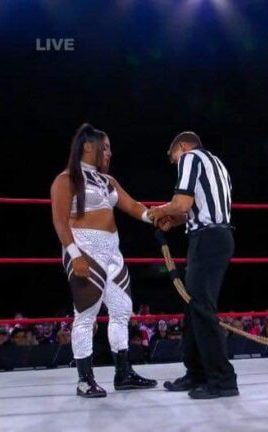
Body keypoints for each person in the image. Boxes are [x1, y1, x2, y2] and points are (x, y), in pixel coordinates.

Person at [50, 123, 157, 398]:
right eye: (105, 147)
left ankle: (123, 373)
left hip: (112, 251)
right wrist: (75, 255)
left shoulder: (108, 181)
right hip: (84, 248)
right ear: (88, 146)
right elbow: (60, 221)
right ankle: (84, 380)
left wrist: (156, 216)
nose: (109, 153)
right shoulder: (66, 179)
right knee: (86, 314)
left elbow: (133, 206)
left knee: (122, 310)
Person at [148, 131, 238, 399]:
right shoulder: (218, 164)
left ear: (183, 146)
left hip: (207, 240)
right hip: (217, 238)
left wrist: (159, 211)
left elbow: (182, 203)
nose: (176, 164)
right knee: (193, 308)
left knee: (201, 308)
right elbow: (196, 209)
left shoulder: (190, 158)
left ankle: (223, 380)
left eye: (174, 158)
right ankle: (196, 373)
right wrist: (173, 219)